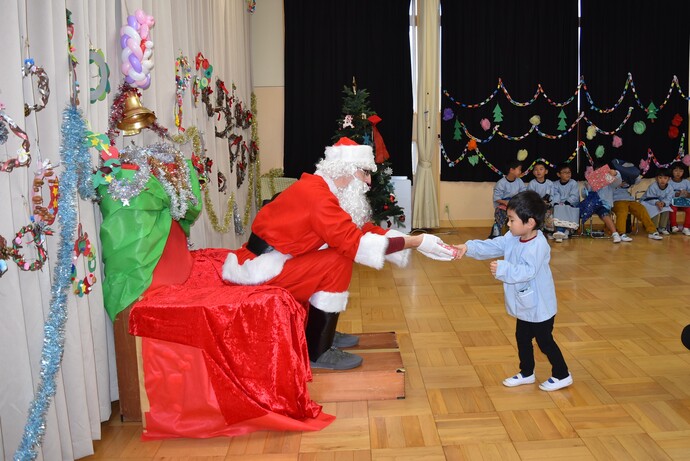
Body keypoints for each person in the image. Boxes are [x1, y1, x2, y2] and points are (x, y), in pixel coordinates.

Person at [222, 137, 456, 370]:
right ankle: (318, 350)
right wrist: (416, 242)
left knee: (338, 254)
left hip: (280, 259)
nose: (369, 180)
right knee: (338, 258)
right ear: (347, 170)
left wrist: (414, 241)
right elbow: (354, 244)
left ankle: (323, 330)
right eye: (365, 172)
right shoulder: (318, 196)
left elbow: (362, 229)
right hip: (260, 269)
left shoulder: (326, 190)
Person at [454, 190, 572, 391]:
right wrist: (468, 247)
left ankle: (562, 374)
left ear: (530, 223)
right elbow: (495, 245)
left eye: (511, 220)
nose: (508, 224)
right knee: (522, 338)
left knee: (544, 342)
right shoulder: (513, 236)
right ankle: (527, 373)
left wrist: (503, 269)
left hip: (540, 306)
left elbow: (528, 271)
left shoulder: (538, 245)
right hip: (525, 304)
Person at [611, 165, 663, 240]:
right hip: (616, 200)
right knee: (622, 211)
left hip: (629, 199)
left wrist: (634, 172)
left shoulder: (628, 178)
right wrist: (617, 181)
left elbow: (637, 179)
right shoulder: (613, 177)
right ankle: (621, 233)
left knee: (641, 209)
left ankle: (652, 231)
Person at [579, 162, 626, 243]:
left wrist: (615, 173)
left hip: (603, 204)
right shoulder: (592, 182)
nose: (599, 174)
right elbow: (584, 195)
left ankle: (615, 233)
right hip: (592, 204)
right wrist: (586, 188)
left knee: (604, 213)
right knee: (579, 209)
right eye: (597, 172)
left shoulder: (609, 183)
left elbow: (618, 182)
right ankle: (569, 229)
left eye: (601, 172)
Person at [490, 159, 526, 238]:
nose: (520, 172)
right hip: (503, 205)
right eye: (519, 169)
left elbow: (523, 193)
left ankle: (518, 232)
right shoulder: (501, 183)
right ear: (511, 170)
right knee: (500, 213)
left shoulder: (519, 181)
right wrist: (506, 202)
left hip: (516, 203)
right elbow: (497, 198)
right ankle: (497, 233)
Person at [640, 168, 674, 235]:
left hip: (661, 203)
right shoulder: (653, 186)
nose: (662, 180)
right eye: (660, 178)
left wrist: (663, 203)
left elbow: (669, 199)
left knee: (666, 209)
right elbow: (650, 198)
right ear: (656, 178)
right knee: (655, 209)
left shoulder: (670, 188)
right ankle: (654, 228)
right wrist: (657, 202)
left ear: (669, 179)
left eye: (665, 178)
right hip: (648, 202)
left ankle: (662, 227)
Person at [551, 163, 580, 241]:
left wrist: (567, 202)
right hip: (560, 204)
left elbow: (574, 196)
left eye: (569, 172)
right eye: (564, 172)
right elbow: (555, 194)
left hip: (571, 204)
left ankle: (561, 232)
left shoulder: (573, 183)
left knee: (565, 208)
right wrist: (557, 203)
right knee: (557, 207)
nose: (568, 174)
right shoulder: (555, 184)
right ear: (558, 174)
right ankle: (562, 232)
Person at [527, 161, 554, 237]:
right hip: (536, 205)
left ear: (546, 171)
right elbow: (531, 196)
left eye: (541, 169)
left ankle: (549, 231)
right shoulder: (532, 183)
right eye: (536, 169)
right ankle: (538, 230)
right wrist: (540, 202)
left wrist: (548, 202)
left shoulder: (550, 183)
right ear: (533, 172)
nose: (538, 171)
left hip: (547, 205)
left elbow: (552, 195)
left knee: (550, 212)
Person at [669, 162, 690, 235]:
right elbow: (666, 193)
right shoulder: (669, 182)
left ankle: (686, 227)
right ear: (672, 171)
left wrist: (687, 194)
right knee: (672, 209)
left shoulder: (686, 182)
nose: (678, 173)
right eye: (676, 170)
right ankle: (674, 226)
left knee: (689, 209)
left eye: (681, 171)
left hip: (685, 203)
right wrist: (676, 194)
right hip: (673, 203)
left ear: (684, 172)